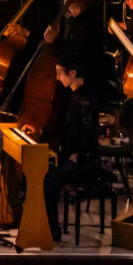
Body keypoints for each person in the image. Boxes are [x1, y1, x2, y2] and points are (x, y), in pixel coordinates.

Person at [37, 56, 104, 243]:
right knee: (42, 174)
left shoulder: (86, 99)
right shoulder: (75, 95)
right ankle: (45, 225)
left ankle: (53, 231)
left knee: (49, 183)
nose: (58, 77)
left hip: (86, 162)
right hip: (74, 156)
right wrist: (42, 131)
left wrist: (77, 156)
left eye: (60, 73)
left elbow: (89, 132)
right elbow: (69, 127)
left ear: (72, 73)